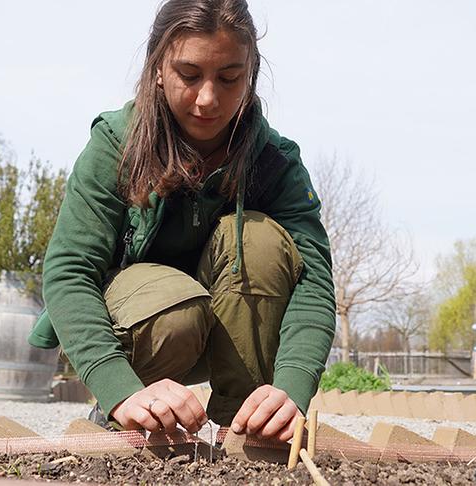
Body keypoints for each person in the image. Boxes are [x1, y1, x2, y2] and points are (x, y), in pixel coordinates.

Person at [28, 0, 335, 442]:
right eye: (189, 75)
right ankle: (131, 415)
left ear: (250, 74)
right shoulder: (116, 144)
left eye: (229, 78)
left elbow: (313, 280)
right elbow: (70, 270)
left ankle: (246, 428)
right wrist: (117, 388)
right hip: (141, 330)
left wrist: (292, 388)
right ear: (158, 68)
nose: (208, 98)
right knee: (177, 307)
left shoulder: (276, 161)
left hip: (228, 330)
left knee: (260, 240)